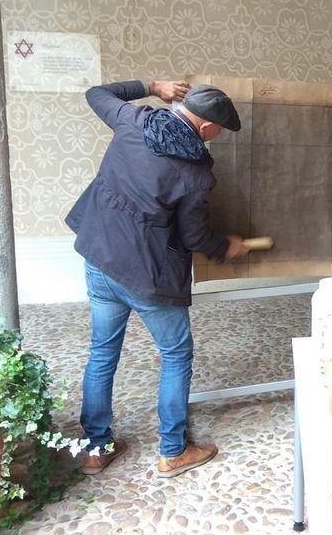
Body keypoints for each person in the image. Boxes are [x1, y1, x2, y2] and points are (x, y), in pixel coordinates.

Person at [66, 80, 251, 479]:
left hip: (99, 256)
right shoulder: (195, 174)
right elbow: (194, 236)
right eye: (218, 131)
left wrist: (151, 86)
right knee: (176, 354)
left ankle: (96, 448)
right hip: (145, 276)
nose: (217, 138)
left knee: (102, 352)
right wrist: (226, 247)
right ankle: (173, 450)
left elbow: (96, 94)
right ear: (204, 128)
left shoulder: (134, 118)